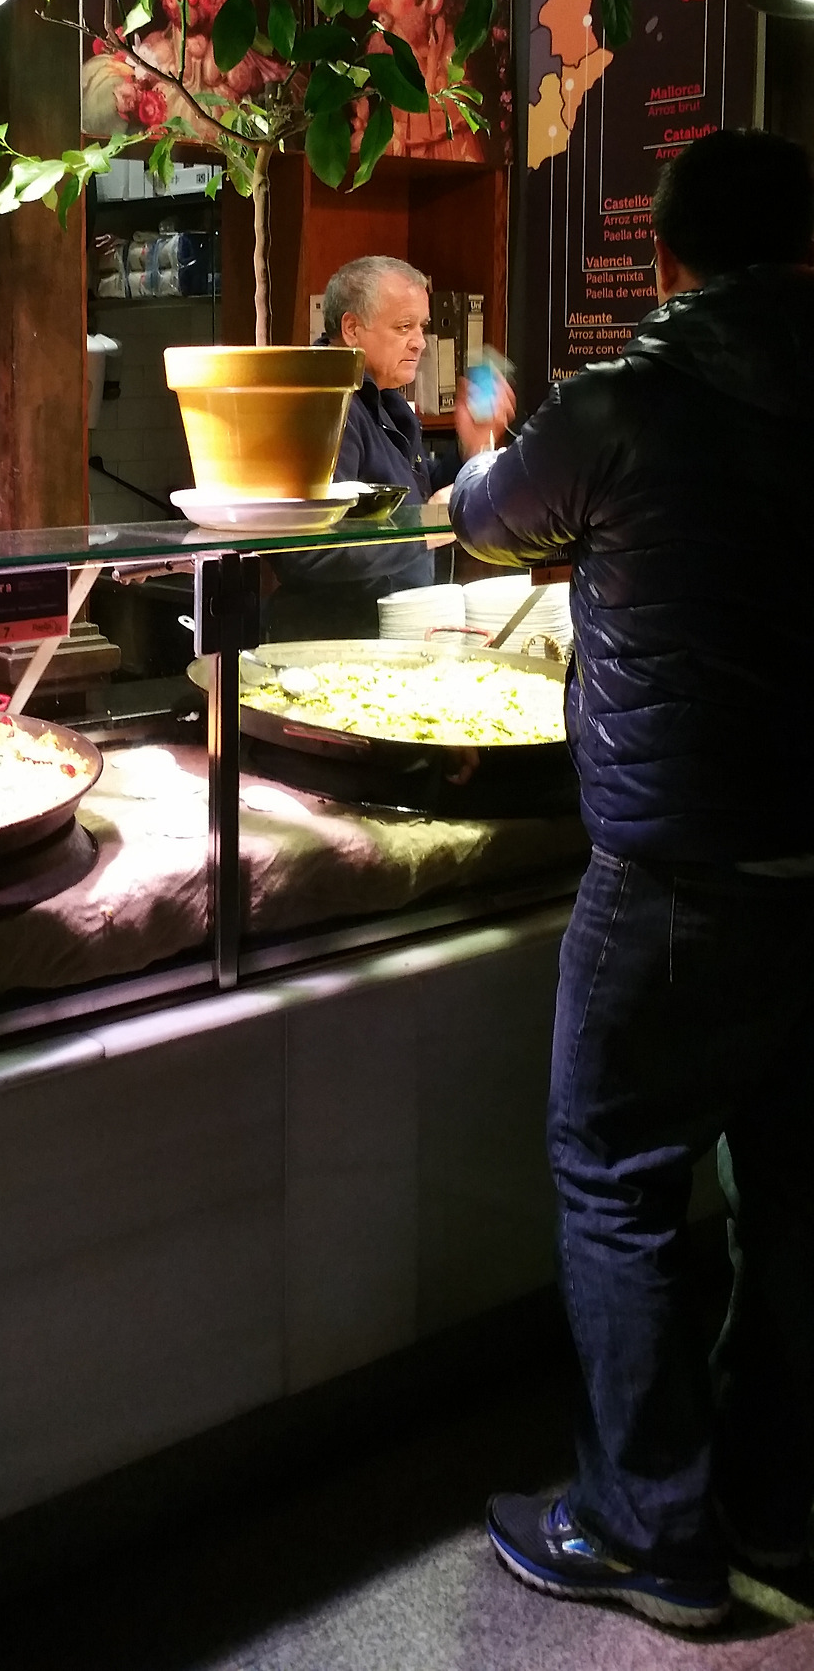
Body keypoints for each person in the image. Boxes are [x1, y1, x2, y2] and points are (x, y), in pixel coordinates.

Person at [449, 128, 814, 1631]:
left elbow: (481, 518)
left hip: (673, 873)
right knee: (797, 1198)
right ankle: (781, 1507)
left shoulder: (624, 400)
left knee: (614, 1176)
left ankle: (644, 1528)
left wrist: (486, 434)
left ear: (661, 254)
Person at [267, 255, 508, 640]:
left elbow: (411, 495)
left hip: (393, 635)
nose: (420, 343)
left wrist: (470, 447)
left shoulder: (384, 400)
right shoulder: (323, 405)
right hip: (338, 644)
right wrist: (424, 528)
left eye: (422, 327)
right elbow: (307, 551)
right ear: (352, 328)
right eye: (403, 327)